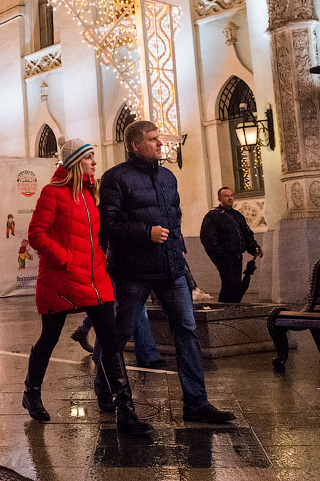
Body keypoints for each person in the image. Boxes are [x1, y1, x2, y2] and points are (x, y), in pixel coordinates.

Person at [98, 120, 236, 424]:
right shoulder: (115, 178)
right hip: (133, 270)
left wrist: (176, 243)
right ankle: (104, 387)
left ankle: (196, 403)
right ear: (135, 146)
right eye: (153, 139)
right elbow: (107, 225)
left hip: (170, 268)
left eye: (159, 138)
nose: (160, 144)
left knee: (186, 330)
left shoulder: (168, 177)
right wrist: (145, 232)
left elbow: (174, 215)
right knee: (120, 332)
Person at [22, 138, 150, 435]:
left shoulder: (90, 195)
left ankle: (125, 409)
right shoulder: (51, 193)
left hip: (94, 278)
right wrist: (65, 259)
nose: (95, 162)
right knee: (49, 338)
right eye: (89, 157)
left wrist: (100, 258)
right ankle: (32, 391)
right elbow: (36, 234)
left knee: (111, 338)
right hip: (61, 279)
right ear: (75, 162)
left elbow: (94, 236)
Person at [199, 186, 263, 303]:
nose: (230, 198)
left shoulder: (237, 216)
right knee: (229, 283)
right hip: (224, 257)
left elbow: (246, 234)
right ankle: (223, 308)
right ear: (219, 198)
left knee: (236, 284)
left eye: (231, 196)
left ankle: (232, 307)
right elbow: (207, 238)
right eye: (226, 196)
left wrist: (254, 247)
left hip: (237, 256)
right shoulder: (213, 216)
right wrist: (220, 254)